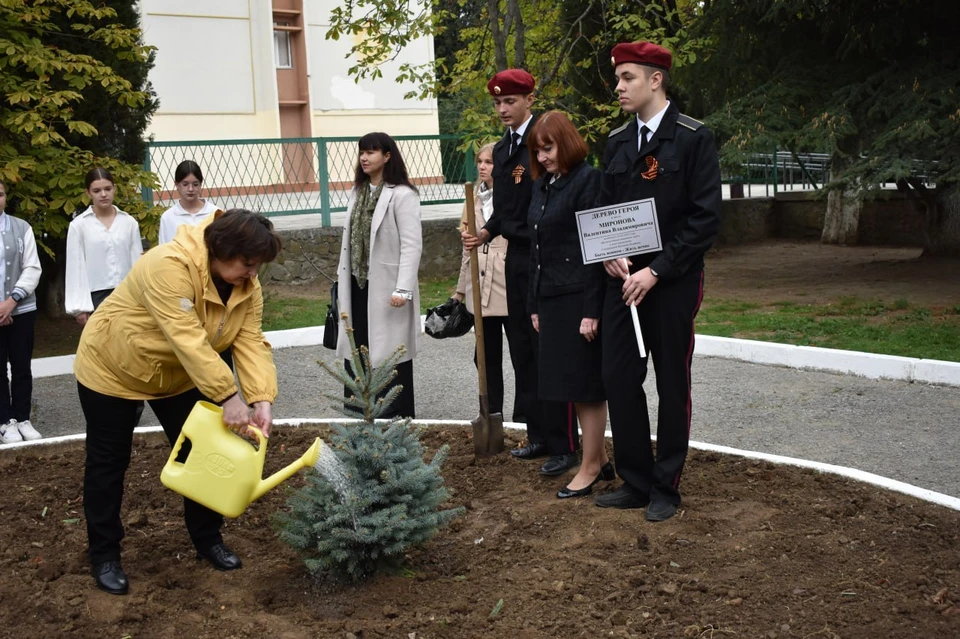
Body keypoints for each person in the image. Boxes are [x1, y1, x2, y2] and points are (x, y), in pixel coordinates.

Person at [74, 209, 282, 595]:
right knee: (108, 462)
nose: (253, 274)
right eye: (248, 264)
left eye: (258, 267)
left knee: (201, 453)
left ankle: (208, 540)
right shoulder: (168, 264)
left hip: (180, 374)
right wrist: (228, 398)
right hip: (113, 369)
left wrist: (260, 398)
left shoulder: (246, 287)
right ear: (222, 249)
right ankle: (104, 555)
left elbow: (250, 340)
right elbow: (187, 338)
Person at [595, 42, 721, 521]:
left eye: (628, 77)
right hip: (623, 282)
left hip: (670, 281)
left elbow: (704, 219)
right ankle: (636, 478)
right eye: (618, 78)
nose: (619, 86)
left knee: (672, 381)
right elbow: (607, 210)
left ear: (656, 79)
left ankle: (666, 486)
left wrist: (657, 270)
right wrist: (610, 254)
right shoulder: (618, 141)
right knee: (619, 379)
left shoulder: (692, 138)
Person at [462, 69, 578, 477]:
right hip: (516, 260)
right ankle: (539, 435)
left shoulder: (540, 142)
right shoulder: (506, 147)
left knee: (549, 353)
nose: (502, 109)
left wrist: (500, 229)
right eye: (497, 103)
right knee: (523, 354)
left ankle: (566, 444)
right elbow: (507, 207)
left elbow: (542, 204)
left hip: (542, 256)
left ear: (530, 98)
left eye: (509, 101)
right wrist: (485, 233)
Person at [526, 112, 612, 498]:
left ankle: (590, 465)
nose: (543, 157)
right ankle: (602, 457)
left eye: (549, 147)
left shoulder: (588, 180)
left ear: (567, 142)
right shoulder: (544, 186)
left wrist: (592, 310)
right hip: (551, 299)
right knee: (572, 384)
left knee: (587, 385)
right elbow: (537, 250)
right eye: (537, 150)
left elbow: (595, 250)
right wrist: (534, 303)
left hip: (580, 297)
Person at [336, 132, 422, 419]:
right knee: (356, 349)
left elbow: (412, 245)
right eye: (362, 151)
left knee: (390, 354)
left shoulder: (403, 194)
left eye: (371, 152)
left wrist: (404, 289)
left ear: (387, 156)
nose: (364, 157)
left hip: (388, 290)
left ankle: (394, 419)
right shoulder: (357, 193)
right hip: (357, 285)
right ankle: (359, 416)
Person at [453, 143, 510, 417]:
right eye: (480, 161)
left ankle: (525, 418)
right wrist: (459, 292)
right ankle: (491, 413)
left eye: (490, 162)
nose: (483, 166)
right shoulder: (473, 197)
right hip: (480, 282)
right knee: (484, 357)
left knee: (524, 356)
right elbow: (467, 248)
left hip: (508, 282)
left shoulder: (512, 196)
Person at [65, 168, 144, 323]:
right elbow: (76, 267)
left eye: (107, 189)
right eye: (97, 190)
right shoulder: (79, 225)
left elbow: (137, 263)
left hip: (127, 295)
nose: (103, 194)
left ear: (114, 189)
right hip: (96, 297)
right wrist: (79, 307)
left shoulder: (129, 222)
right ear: (88, 193)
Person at [0, 179, 43, 444]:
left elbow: (32, 267)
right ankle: (5, 421)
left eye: (1, 194)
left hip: (22, 308)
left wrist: (11, 300)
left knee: (21, 366)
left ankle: (22, 418)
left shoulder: (22, 227)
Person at [158, 160, 219, 244]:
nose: (190, 189)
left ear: (201, 184)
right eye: (185, 184)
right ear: (177, 185)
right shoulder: (168, 217)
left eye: (195, 184)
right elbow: (164, 251)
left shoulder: (215, 213)